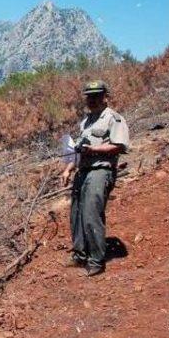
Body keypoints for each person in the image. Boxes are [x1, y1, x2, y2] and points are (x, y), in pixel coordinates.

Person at [61, 81, 130, 276]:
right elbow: (80, 149)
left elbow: (119, 145)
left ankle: (96, 260)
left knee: (91, 212)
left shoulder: (114, 119)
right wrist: (68, 169)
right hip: (82, 171)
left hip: (101, 170)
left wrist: (94, 149)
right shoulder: (86, 122)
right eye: (89, 96)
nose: (92, 99)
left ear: (105, 96)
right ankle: (80, 254)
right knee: (76, 214)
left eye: (96, 95)